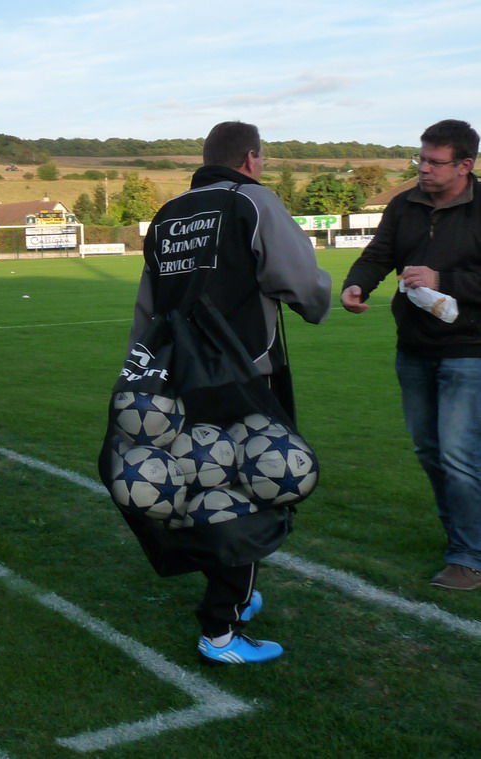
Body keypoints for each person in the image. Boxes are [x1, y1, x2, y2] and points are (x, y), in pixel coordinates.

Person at [124, 121, 331, 664]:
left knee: (204, 484)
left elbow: (148, 307)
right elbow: (303, 284)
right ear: (251, 158)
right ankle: (222, 628)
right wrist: (318, 305)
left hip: (175, 381)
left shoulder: (169, 213)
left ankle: (235, 594)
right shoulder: (252, 201)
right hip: (242, 380)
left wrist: (143, 378)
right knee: (254, 493)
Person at [342, 119, 481, 592]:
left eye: (433, 162)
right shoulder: (404, 205)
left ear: (465, 165)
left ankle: (466, 557)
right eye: (420, 159)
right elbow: (380, 254)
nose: (422, 169)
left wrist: (444, 281)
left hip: (470, 350)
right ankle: (464, 537)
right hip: (414, 348)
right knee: (430, 451)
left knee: (459, 453)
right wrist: (357, 282)